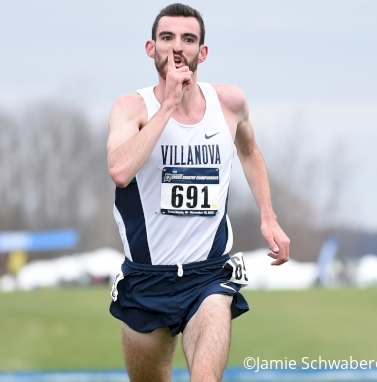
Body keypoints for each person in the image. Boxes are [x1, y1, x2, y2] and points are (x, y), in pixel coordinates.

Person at [106, 4, 290, 381]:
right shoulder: (132, 107)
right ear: (150, 47)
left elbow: (249, 151)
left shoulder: (229, 103)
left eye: (188, 39)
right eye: (167, 37)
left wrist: (268, 216)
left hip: (207, 276)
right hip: (146, 278)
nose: (177, 47)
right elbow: (120, 171)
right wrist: (168, 104)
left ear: (202, 52)